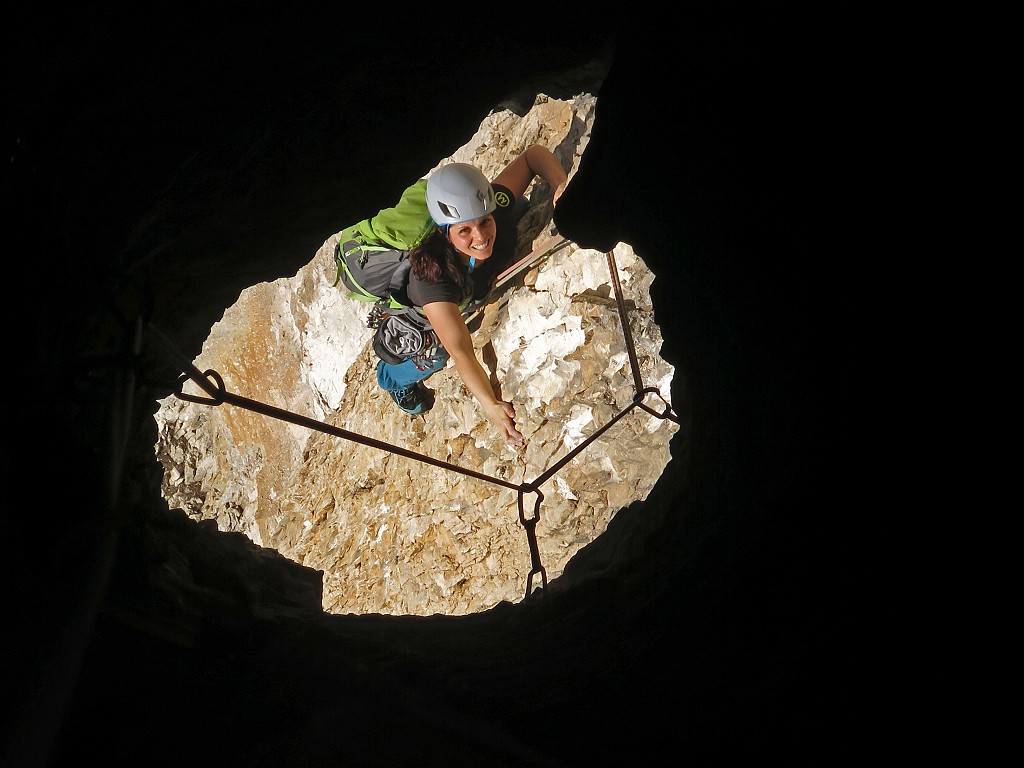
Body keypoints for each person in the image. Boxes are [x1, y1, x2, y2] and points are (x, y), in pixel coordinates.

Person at [374, 144, 568, 446]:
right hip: (425, 320)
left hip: (467, 292)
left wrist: (560, 185)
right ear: (445, 233)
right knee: (436, 357)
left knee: (517, 208)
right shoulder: (431, 278)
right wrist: (490, 405)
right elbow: (461, 351)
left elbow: (532, 157)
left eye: (484, 222)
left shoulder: (485, 209)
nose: (480, 237)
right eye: (464, 231)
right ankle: (392, 380)